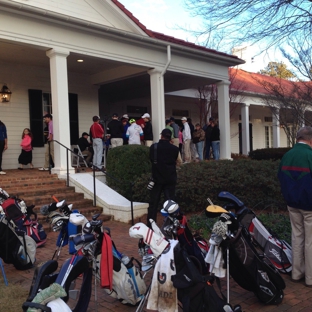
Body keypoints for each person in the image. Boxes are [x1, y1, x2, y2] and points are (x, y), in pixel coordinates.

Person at [278, 126, 312, 288]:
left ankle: (297, 273)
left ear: (298, 138)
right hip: (309, 205)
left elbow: (280, 177)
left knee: (297, 237)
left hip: (292, 203)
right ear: (311, 140)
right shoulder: (310, 155)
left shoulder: (287, 156)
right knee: (310, 241)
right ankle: (310, 278)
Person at [147, 128, 180, 227]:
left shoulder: (154, 147)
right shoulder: (175, 149)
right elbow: (175, 160)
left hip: (156, 179)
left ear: (161, 136)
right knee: (170, 204)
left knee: (153, 204)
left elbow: (151, 160)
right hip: (170, 179)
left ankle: (151, 225)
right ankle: (170, 225)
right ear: (170, 137)